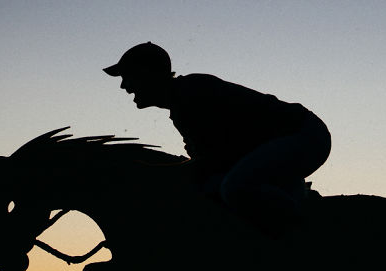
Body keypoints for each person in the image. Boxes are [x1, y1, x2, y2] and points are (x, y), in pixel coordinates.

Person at [104, 42, 331, 231]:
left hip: (304, 136)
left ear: (146, 74)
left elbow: (216, 155)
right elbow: (207, 158)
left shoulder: (192, 93)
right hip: (289, 140)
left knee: (234, 188)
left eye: (127, 77)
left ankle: (301, 234)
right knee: (217, 187)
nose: (124, 86)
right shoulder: (181, 104)